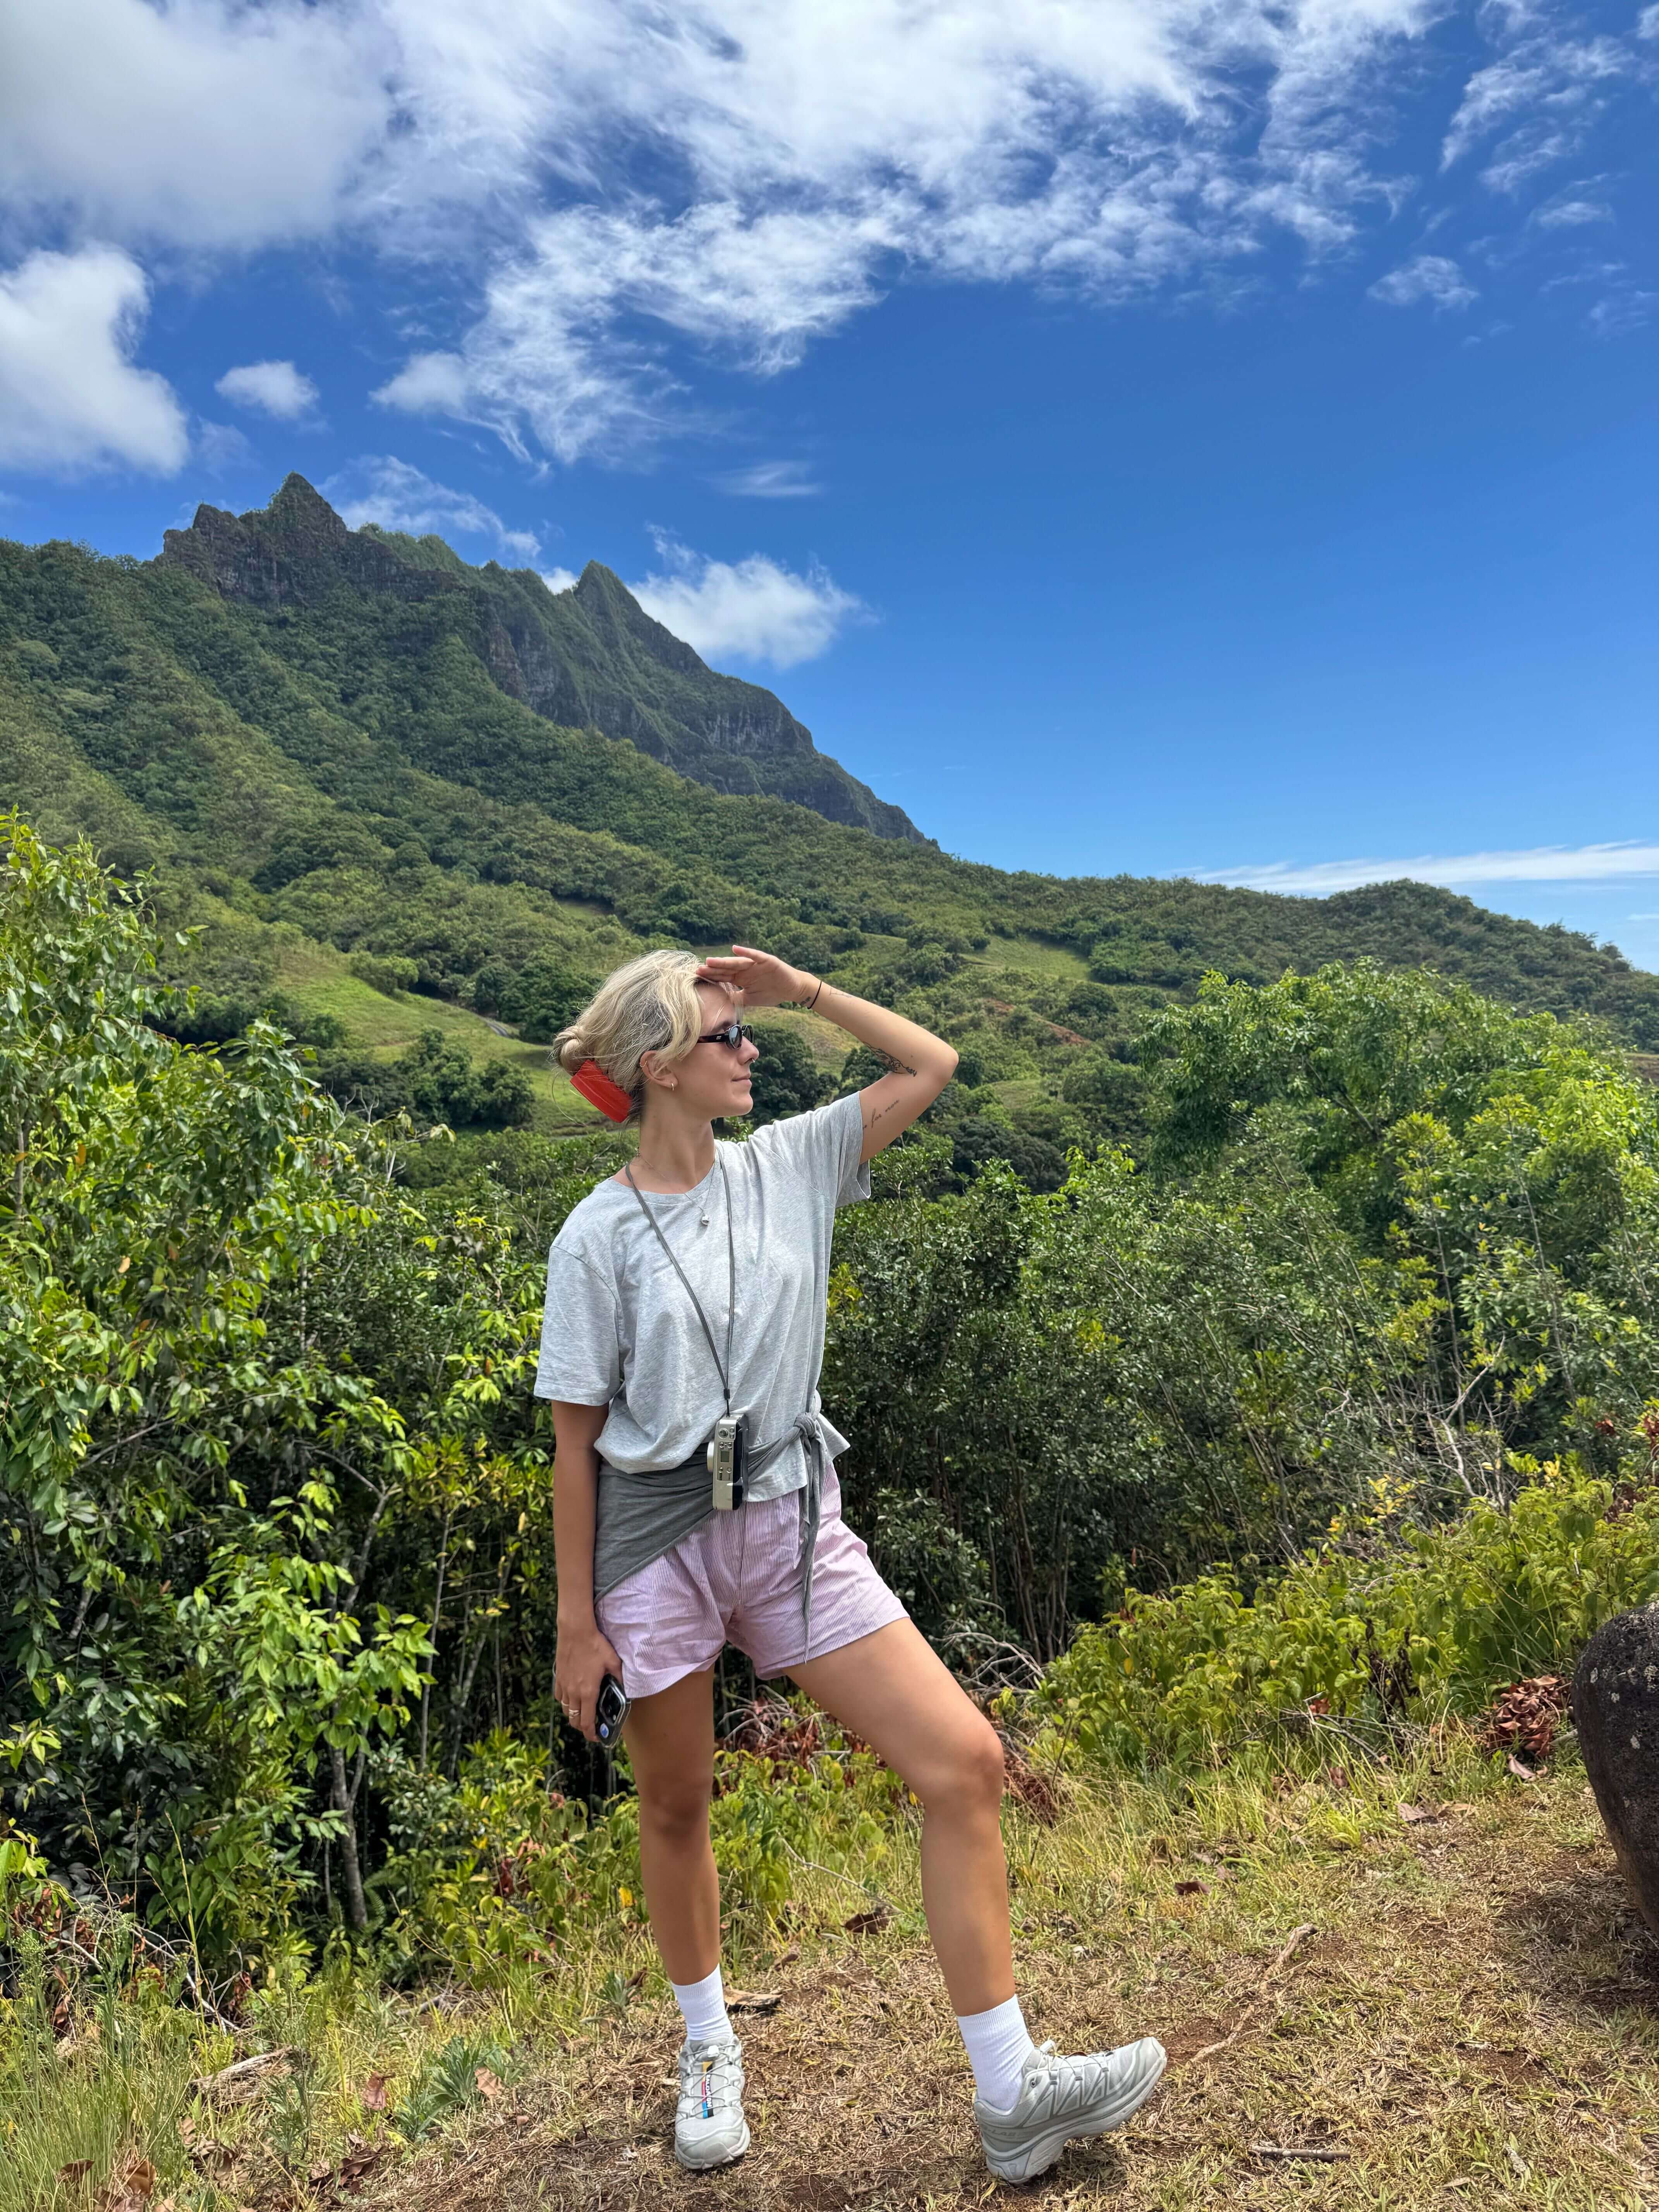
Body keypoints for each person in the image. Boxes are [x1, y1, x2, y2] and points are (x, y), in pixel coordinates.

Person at [537, 945, 1164, 2184]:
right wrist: (575, 1623)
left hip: (786, 1522)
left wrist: (802, 990)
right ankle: (708, 2049)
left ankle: (1011, 2090)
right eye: (726, 1035)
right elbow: (573, 1446)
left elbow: (931, 1062)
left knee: (965, 1762)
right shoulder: (595, 1236)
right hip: (650, 1545)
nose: (750, 1049)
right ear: (657, 1067)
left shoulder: (791, 1164)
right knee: (674, 1805)